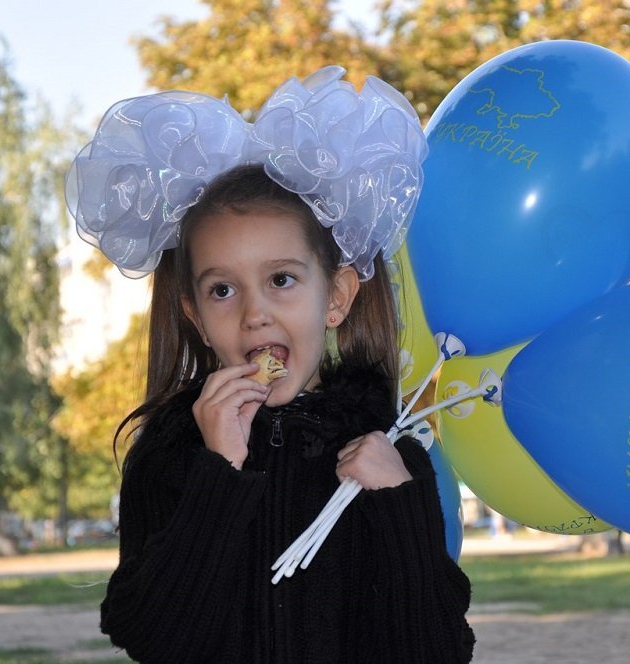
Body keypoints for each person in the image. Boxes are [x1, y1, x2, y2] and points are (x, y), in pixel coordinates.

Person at [66, 68, 475, 663]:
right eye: (223, 291)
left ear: (334, 297)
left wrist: (395, 502)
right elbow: (149, 634)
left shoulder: (391, 450)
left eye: (281, 280)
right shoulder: (170, 454)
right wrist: (219, 472)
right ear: (196, 314)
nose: (255, 314)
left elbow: (437, 649)